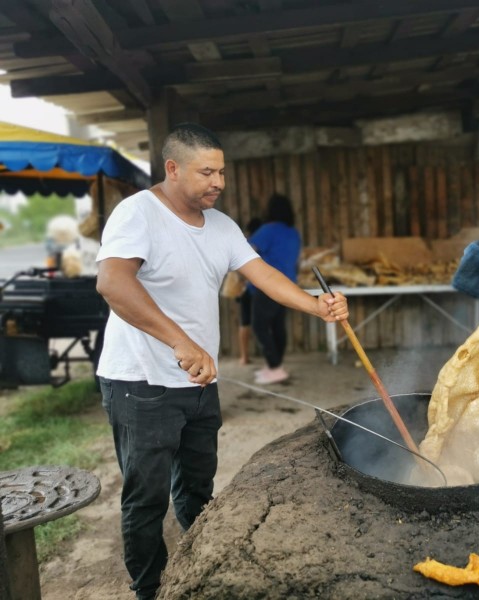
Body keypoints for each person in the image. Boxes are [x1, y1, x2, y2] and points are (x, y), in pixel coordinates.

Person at [94, 122, 348, 600]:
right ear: (172, 168)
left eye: (222, 172)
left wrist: (316, 305)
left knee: (196, 487)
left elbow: (264, 274)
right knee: (145, 498)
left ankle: (199, 570)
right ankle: (149, 589)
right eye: (207, 172)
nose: (219, 182)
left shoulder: (223, 225)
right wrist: (181, 343)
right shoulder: (138, 214)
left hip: (197, 383)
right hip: (140, 381)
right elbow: (113, 284)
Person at [248, 194, 301, 384]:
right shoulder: (293, 232)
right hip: (287, 285)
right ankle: (276, 366)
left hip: (267, 286)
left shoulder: (267, 230)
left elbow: (246, 252)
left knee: (260, 326)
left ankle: (275, 367)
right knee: (278, 326)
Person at [237, 217, 263, 365]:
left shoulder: (245, 242)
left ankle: (244, 356)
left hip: (246, 287)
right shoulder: (258, 243)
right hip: (257, 288)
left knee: (244, 322)